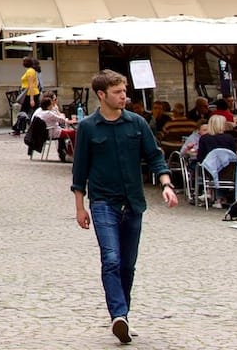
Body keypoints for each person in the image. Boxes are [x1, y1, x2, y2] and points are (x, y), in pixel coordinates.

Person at [70, 70, 178, 345]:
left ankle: (123, 318)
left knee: (127, 266)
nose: (124, 96)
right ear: (102, 95)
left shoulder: (137, 124)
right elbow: (79, 169)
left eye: (124, 91)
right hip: (103, 202)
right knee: (112, 259)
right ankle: (118, 313)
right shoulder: (89, 127)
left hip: (133, 203)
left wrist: (166, 184)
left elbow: (155, 156)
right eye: (118, 92)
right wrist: (80, 208)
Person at [33, 96, 78, 160]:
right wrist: (59, 112)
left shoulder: (40, 112)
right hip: (53, 131)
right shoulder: (48, 113)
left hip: (46, 131)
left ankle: (64, 152)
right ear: (48, 106)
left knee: (68, 131)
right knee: (74, 133)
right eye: (51, 104)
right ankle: (70, 154)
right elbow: (61, 119)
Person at [18, 56, 42, 135]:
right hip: (30, 93)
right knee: (29, 111)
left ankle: (20, 127)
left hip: (31, 94)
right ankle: (20, 127)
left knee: (24, 111)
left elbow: (31, 85)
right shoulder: (29, 71)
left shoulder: (30, 71)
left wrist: (31, 99)